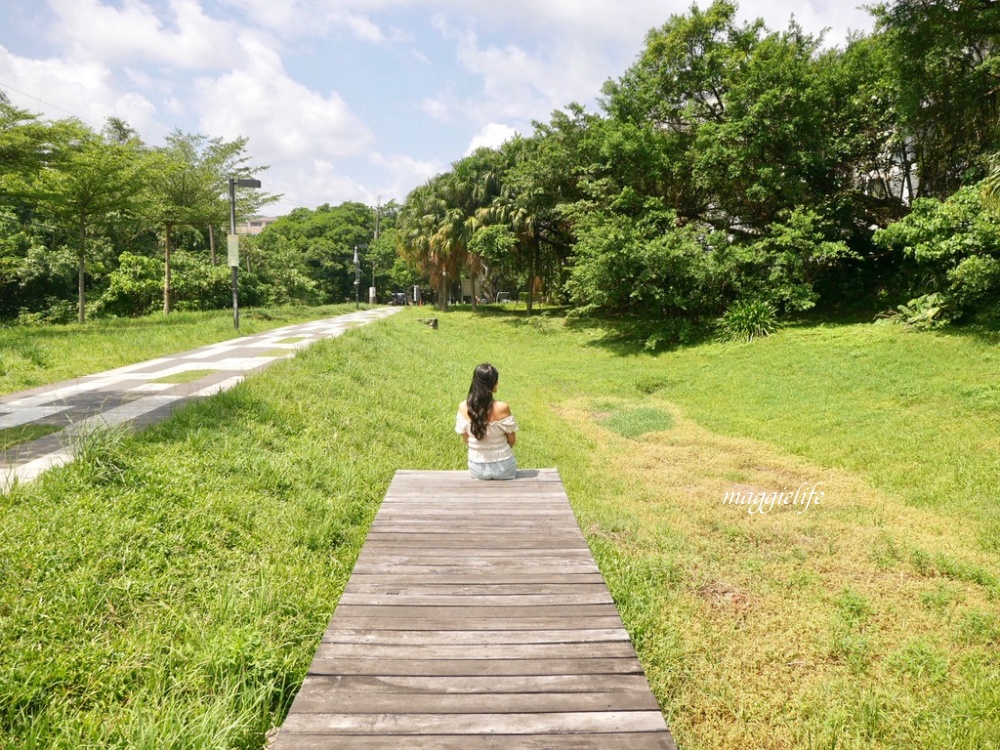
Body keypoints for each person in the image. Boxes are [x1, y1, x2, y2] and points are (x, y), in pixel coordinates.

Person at [455, 363, 518, 480]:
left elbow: (466, 439)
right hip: (504, 467)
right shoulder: (502, 408)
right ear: (493, 384)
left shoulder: (463, 407)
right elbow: (512, 440)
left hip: (477, 468)